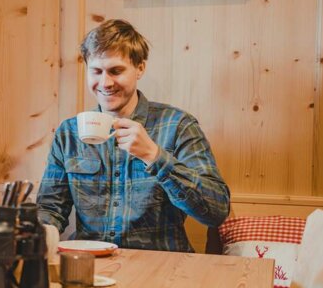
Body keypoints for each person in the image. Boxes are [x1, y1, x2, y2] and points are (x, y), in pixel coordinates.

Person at [37, 19, 230, 252]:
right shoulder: (69, 132)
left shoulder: (178, 125)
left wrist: (154, 155)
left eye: (116, 71)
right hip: (92, 266)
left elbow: (216, 211)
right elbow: (50, 208)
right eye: (96, 71)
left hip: (163, 267)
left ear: (140, 68)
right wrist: (38, 234)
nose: (105, 83)